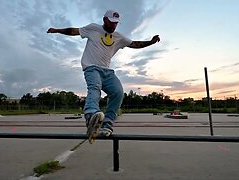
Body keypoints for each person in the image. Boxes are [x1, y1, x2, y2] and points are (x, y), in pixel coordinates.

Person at [47, 10, 160, 143]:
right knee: (95, 88)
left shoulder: (118, 37)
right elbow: (74, 31)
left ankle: (106, 125)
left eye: (116, 24)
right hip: (91, 68)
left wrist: (151, 42)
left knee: (118, 92)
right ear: (104, 20)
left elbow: (135, 44)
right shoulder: (93, 28)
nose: (113, 26)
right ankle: (91, 115)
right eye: (111, 23)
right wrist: (56, 30)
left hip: (107, 71)